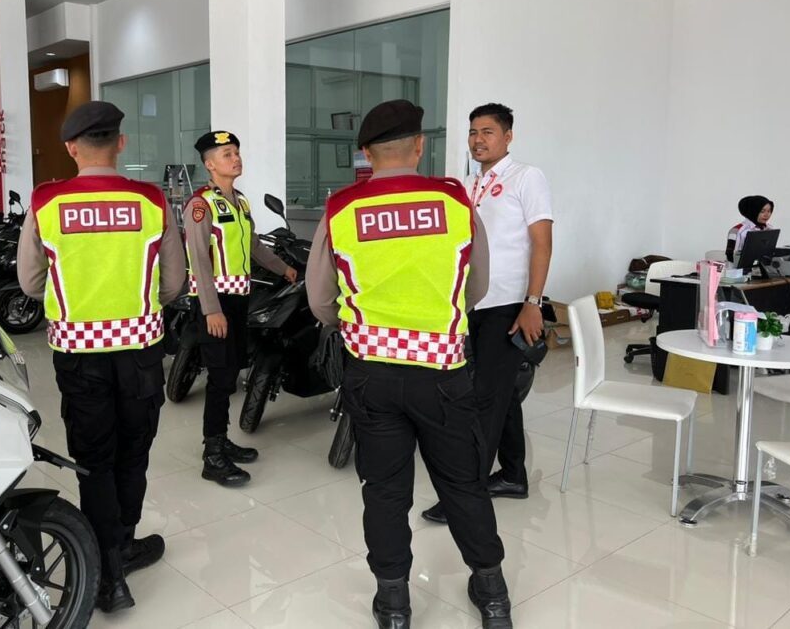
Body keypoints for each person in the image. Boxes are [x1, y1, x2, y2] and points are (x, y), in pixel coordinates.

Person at [306, 100, 512, 629]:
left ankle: (394, 603)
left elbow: (320, 300)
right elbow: (478, 286)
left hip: (372, 375)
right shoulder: (455, 201)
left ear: (365, 153)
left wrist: (359, 323)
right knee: (463, 483)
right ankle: (492, 595)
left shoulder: (342, 208)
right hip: (443, 373)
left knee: (385, 490)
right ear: (420, 145)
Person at [18, 101, 186, 613]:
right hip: (139, 353)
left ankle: (108, 572)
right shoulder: (151, 200)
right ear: (121, 143)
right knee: (133, 453)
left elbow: (29, 283)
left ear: (71, 148)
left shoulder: (46, 201)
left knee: (94, 462)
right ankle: (124, 543)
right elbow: (174, 283)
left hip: (79, 357)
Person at [423, 103, 553, 522]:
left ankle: (465, 494)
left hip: (509, 304)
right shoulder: (467, 184)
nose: (478, 140)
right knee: (501, 394)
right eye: (473, 132)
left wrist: (532, 303)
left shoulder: (526, 177)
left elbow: (542, 243)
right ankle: (513, 475)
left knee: (482, 401)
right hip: (472, 302)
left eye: (488, 132)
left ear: (508, 136)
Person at [184, 130, 297, 487]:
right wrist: (211, 309)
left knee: (230, 373)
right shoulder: (200, 205)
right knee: (220, 376)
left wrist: (284, 268)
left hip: (237, 300)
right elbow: (198, 259)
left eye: (236, 152)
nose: (236, 159)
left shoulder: (240, 202)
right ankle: (212, 455)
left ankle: (221, 439)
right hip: (214, 301)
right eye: (227, 154)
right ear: (209, 164)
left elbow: (253, 245)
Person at [726, 195, 775, 263]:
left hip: (762, 267)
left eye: (769, 211)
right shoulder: (737, 231)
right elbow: (731, 257)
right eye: (762, 211)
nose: (766, 215)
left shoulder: (769, 228)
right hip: (740, 268)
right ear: (753, 211)